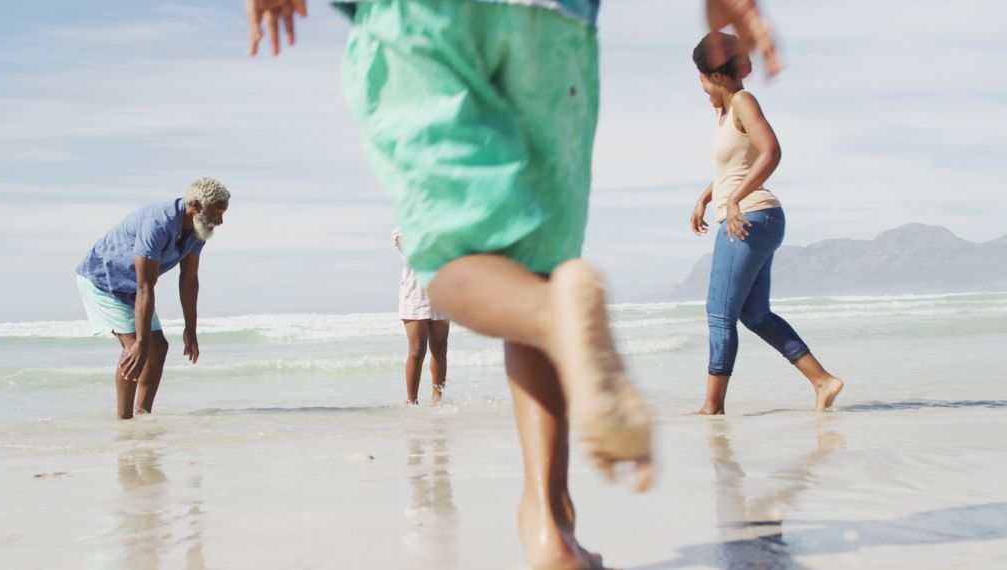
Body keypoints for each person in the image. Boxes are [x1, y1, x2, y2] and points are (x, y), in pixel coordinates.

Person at [247, 1, 780, 567]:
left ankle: (554, 318)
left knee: (454, 257)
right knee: (534, 270)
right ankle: (554, 532)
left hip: (427, 18)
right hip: (556, 28)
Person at [689, 32, 844, 416]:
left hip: (749, 217)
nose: (703, 89)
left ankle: (712, 407)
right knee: (754, 313)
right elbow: (738, 164)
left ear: (718, 76)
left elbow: (771, 151)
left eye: (703, 80)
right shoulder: (725, 112)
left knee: (719, 313)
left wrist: (736, 199)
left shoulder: (742, 101)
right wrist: (707, 195)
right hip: (757, 217)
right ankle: (823, 381)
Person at [75, 177, 230, 419]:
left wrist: (191, 328)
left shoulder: (199, 230)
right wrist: (140, 344)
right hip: (103, 281)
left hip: (133, 288)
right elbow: (145, 286)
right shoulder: (157, 223)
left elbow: (189, 278)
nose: (220, 220)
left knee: (158, 347)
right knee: (136, 347)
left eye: (223, 213)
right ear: (197, 205)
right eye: (217, 212)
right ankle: (125, 423)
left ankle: (143, 417)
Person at [393, 228, 450, 404]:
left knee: (440, 349)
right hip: (415, 295)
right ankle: (412, 401)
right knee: (417, 350)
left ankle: (437, 399)